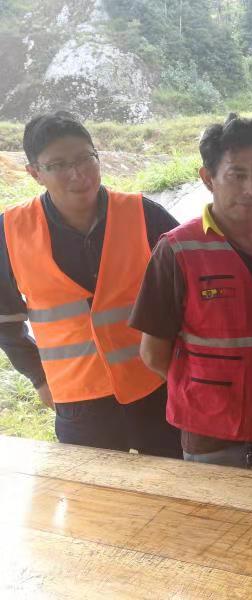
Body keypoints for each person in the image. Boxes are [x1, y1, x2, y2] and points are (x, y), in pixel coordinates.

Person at [130, 115, 252, 474]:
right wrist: (206, 394)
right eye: (237, 175)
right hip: (213, 441)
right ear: (208, 178)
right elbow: (153, 354)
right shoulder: (177, 250)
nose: (251, 189)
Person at [0, 111, 181, 456]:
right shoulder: (10, 231)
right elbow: (5, 321)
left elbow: (192, 288)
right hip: (78, 402)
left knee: (173, 483)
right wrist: (38, 377)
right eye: (58, 165)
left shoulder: (144, 214)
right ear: (35, 173)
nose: (78, 174)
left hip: (154, 388)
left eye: (85, 158)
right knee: (96, 490)